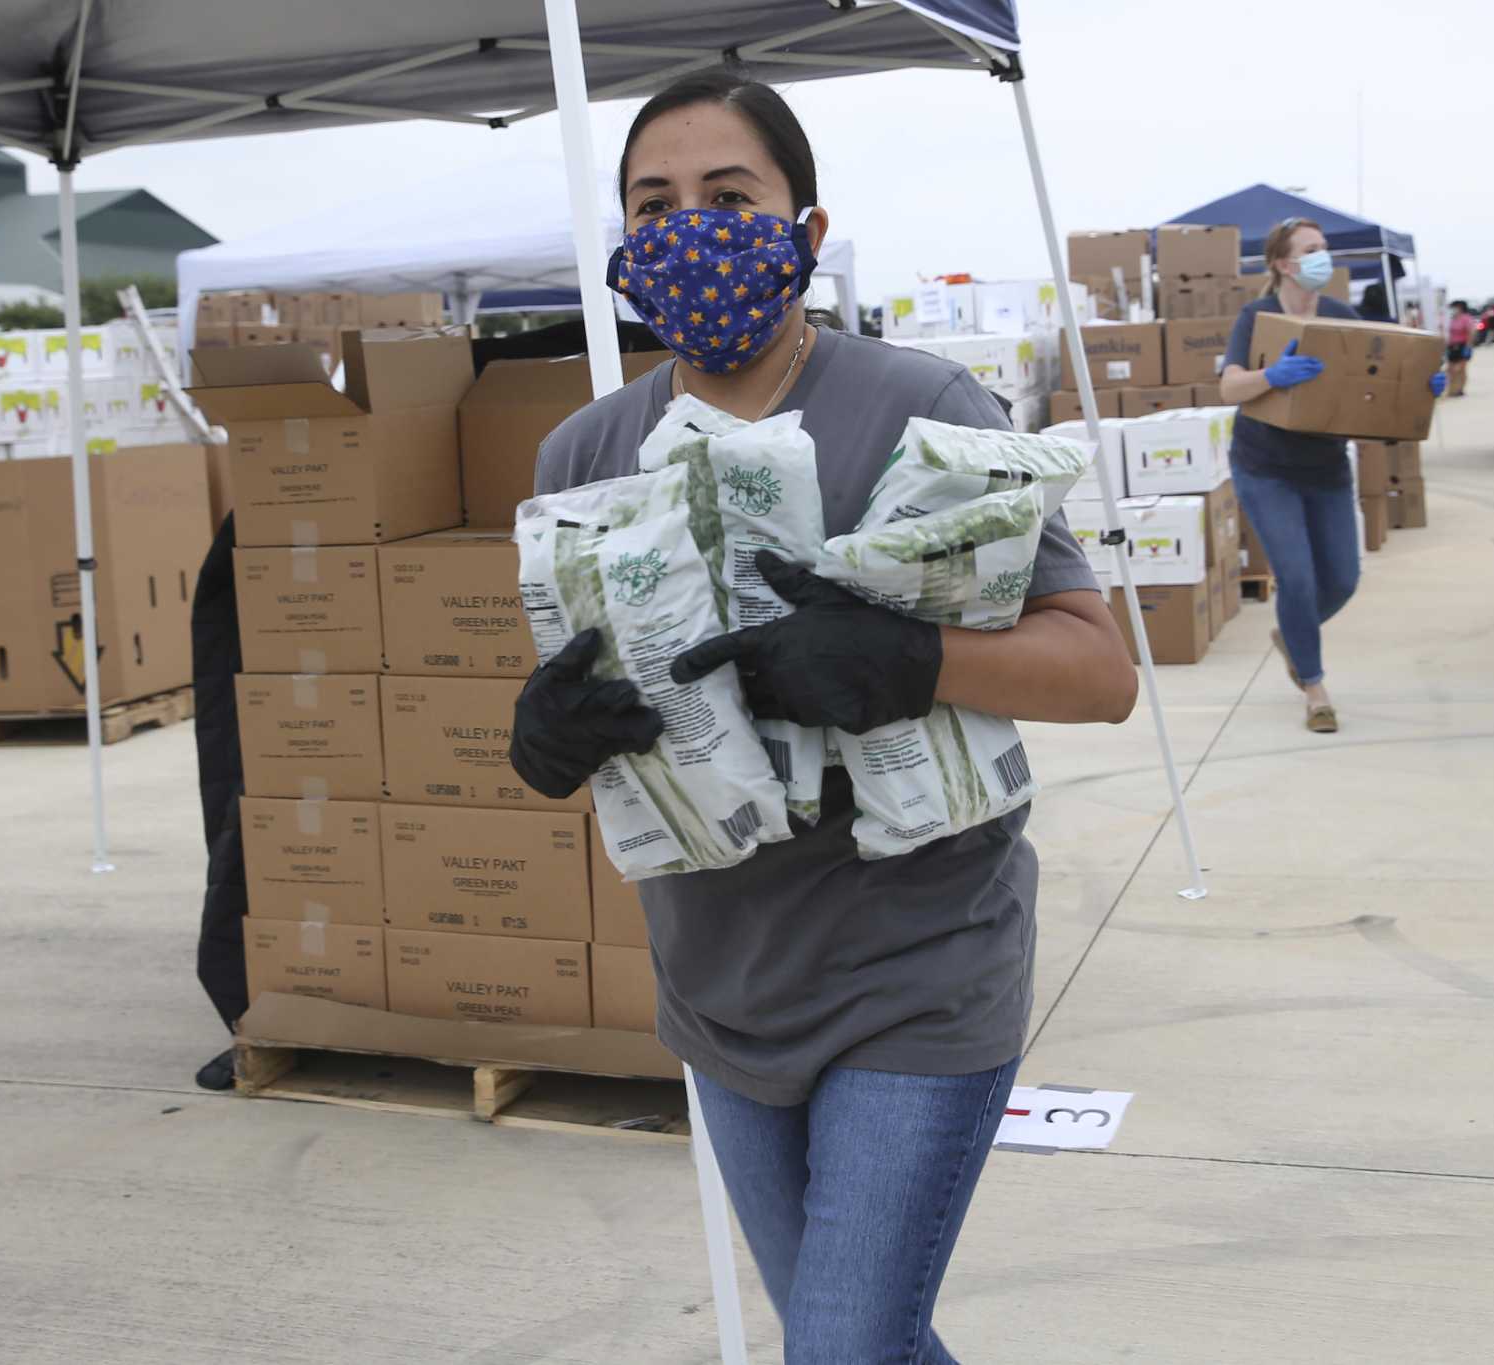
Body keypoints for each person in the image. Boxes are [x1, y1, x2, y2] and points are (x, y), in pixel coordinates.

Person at [513, 72, 1138, 1363]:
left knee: (844, 1349)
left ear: (804, 231)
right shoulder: (585, 458)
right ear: (626, 249)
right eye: (655, 204)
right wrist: (544, 738)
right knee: (857, 1340)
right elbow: (584, 680)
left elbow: (1101, 668)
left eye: (728, 197)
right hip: (721, 986)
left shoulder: (924, 413)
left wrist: (912, 658)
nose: (690, 226)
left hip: (918, 966)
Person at [1218, 218, 1445, 732]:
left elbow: (1377, 393)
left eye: (1325, 249)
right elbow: (1229, 387)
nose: (1325, 258)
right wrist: (1270, 377)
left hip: (1325, 468)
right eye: (1312, 250)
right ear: (1283, 263)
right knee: (1296, 577)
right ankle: (1314, 688)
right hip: (1265, 466)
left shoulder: (1342, 318)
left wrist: (1421, 389)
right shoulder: (1258, 317)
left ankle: (1292, 636)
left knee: (1342, 580)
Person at [1444, 299, 1475, 396]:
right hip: (1452, 346)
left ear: (1460, 308)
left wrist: (1468, 346)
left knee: (1460, 369)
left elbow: (1471, 332)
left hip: (1462, 345)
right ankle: (1452, 389)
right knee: (1450, 369)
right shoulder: (1452, 318)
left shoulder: (1466, 318)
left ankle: (1460, 389)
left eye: (1455, 307)